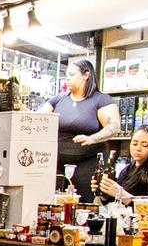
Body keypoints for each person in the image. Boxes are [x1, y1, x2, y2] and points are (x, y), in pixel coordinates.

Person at [39, 59, 121, 203]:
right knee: (54, 203)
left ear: (86, 75)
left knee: (83, 204)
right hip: (57, 163)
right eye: (66, 76)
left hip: (87, 163)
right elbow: (36, 119)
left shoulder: (101, 100)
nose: (67, 79)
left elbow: (114, 126)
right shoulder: (58, 99)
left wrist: (92, 138)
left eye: (71, 74)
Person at [96, 124, 148, 204]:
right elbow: (113, 202)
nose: (138, 148)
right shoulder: (126, 171)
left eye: (145, 145)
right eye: (134, 144)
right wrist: (104, 190)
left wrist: (122, 194)